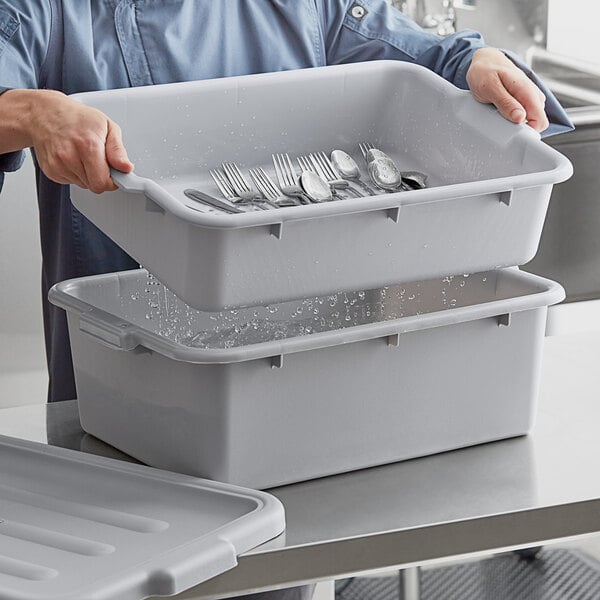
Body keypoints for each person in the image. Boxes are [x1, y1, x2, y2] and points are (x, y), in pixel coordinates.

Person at [0, 0, 572, 406]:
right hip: (129, 372)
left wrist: (474, 63)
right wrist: (32, 113)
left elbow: (415, 52)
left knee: (291, 557)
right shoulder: (44, 10)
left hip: (305, 363)